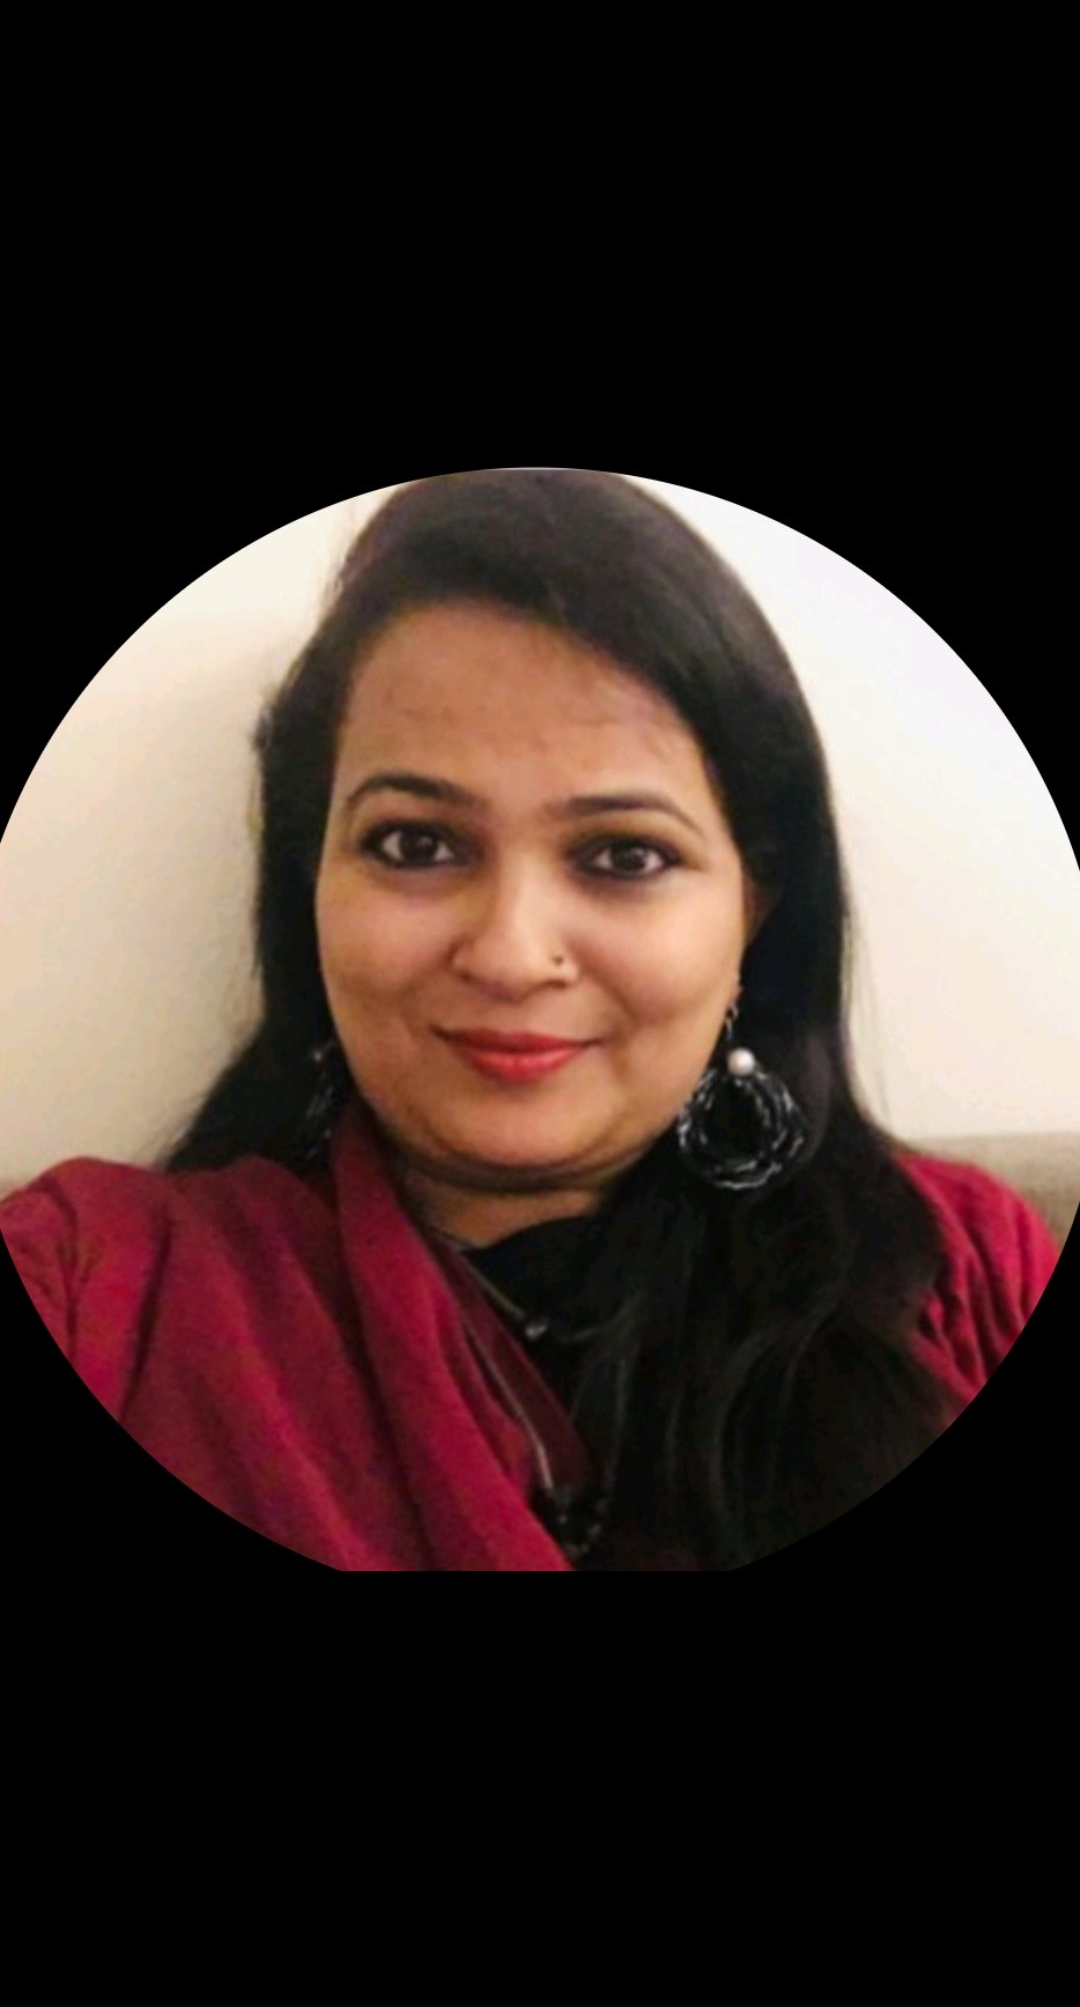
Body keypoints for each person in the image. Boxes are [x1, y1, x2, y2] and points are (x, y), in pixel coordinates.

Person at [0, 470, 1062, 1570]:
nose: (510, 954)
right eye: (417, 844)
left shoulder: (963, 1278)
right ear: (311, 883)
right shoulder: (93, 1291)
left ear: (754, 908)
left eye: (624, 855)